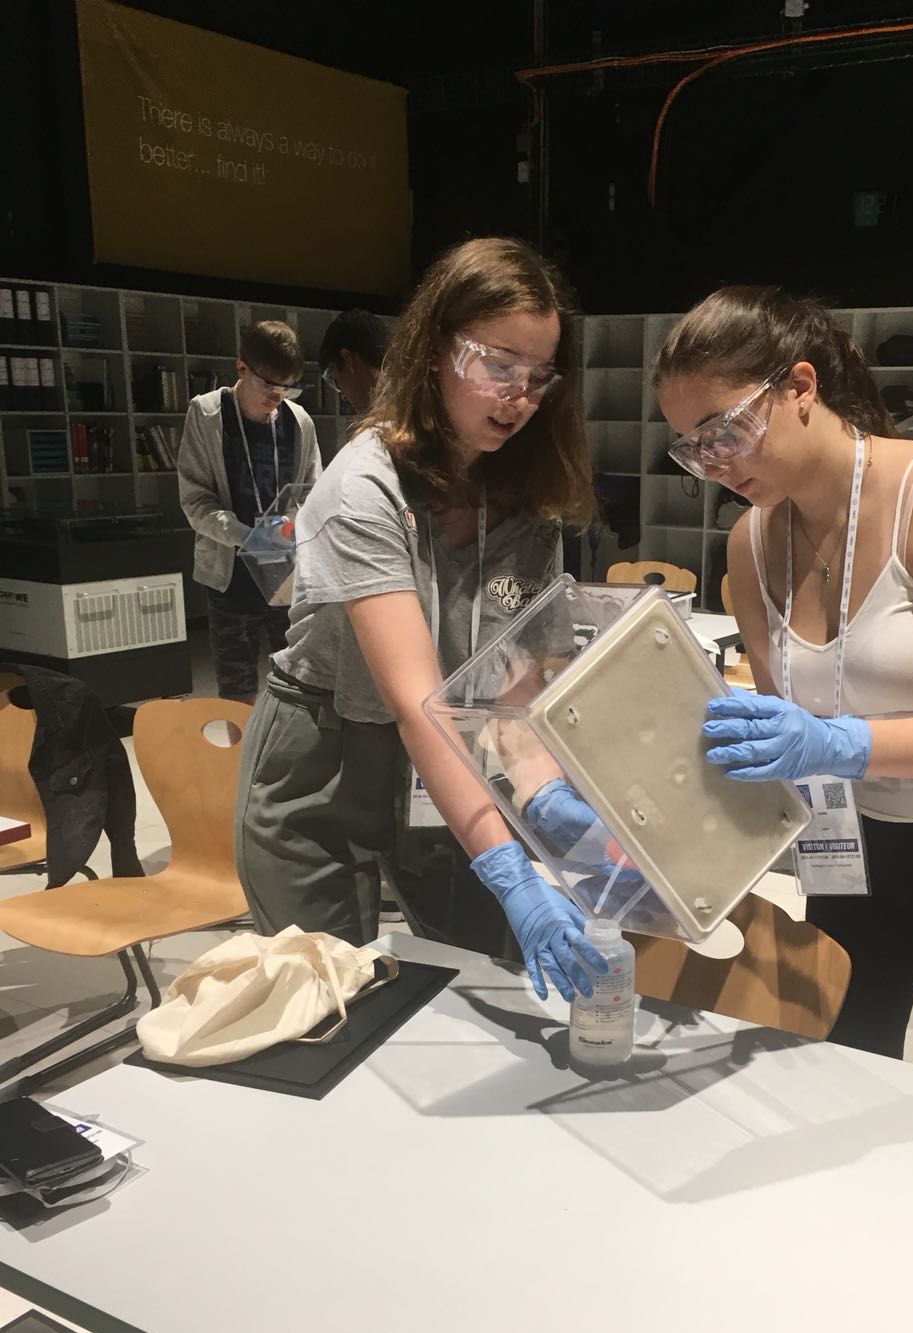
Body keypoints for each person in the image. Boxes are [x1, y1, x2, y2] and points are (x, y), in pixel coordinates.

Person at [653, 286, 913, 1070]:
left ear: (800, 387)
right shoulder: (750, 542)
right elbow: (782, 732)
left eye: (724, 430)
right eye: (692, 447)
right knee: (840, 1070)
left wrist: (834, 742)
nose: (713, 464)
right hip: (852, 842)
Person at [235, 237, 605, 1002]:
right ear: (436, 352)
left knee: (477, 992)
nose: (518, 397)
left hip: (446, 761)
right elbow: (415, 701)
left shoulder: (528, 498)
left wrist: (543, 794)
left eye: (539, 376)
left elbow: (517, 692)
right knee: (330, 1005)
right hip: (326, 761)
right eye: (498, 366)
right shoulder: (364, 485)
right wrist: (508, 870)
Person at [178, 321, 321, 703]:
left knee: (296, 682)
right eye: (269, 385)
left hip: (286, 572)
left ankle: (285, 744)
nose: (277, 397)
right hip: (229, 575)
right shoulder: (207, 414)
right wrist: (248, 537)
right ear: (241, 367)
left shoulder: (299, 422)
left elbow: (312, 494)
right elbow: (195, 500)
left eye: (288, 387)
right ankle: (240, 747)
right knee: (236, 688)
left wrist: (290, 529)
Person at [319, 308, 388, 415]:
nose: (343, 396)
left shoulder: (382, 422)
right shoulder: (410, 404)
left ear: (348, 358)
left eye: (336, 382)